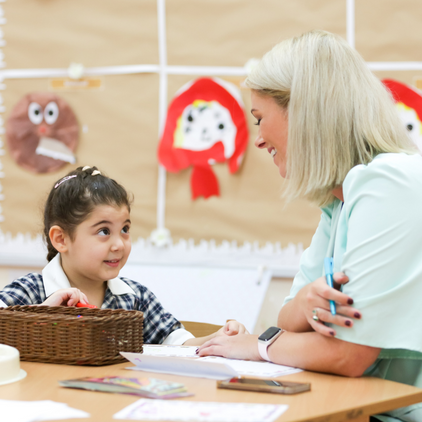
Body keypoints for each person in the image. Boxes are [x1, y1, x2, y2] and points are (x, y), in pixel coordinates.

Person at [198, 30, 422, 422]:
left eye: (259, 118)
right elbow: (287, 317)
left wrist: (259, 345)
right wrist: (302, 307)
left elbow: (349, 354)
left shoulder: (390, 183)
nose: (258, 139)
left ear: (304, 112)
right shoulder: (340, 202)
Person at [0, 165, 247, 345]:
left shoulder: (135, 299)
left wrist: (217, 339)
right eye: (104, 231)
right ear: (61, 239)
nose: (119, 244)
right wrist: (41, 312)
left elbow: (177, 343)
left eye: (125, 229)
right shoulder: (31, 291)